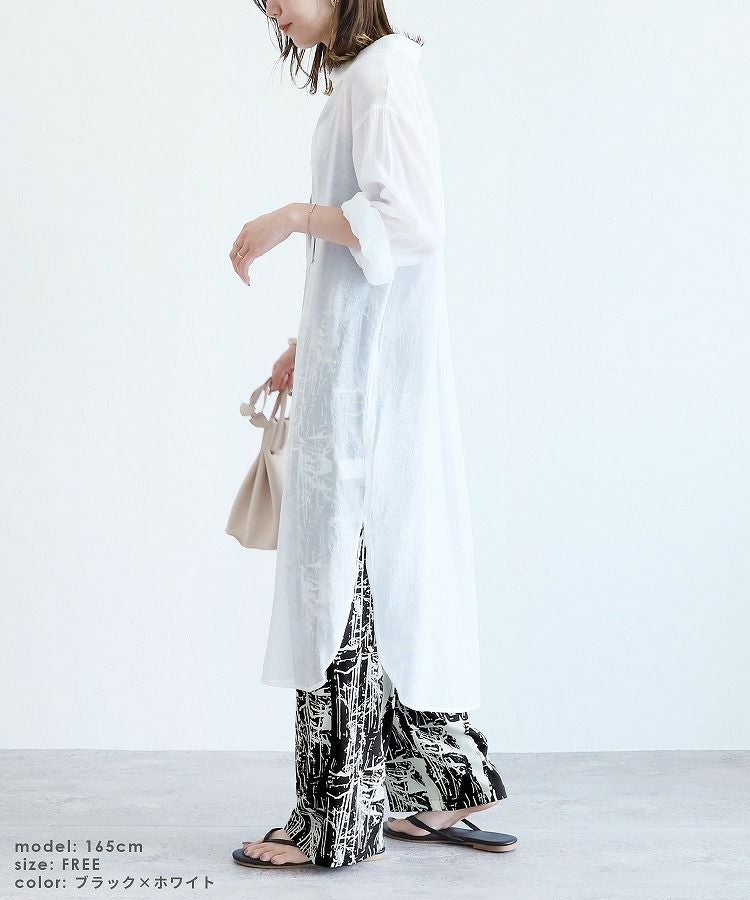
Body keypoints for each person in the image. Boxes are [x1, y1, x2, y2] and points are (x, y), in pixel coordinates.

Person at [228, 0, 517, 869]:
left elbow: (411, 221)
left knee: (341, 593)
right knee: (381, 585)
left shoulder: (382, 75)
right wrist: (304, 343)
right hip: (358, 368)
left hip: (370, 392)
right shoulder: (366, 77)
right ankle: (443, 790)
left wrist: (291, 215)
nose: (272, 8)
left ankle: (335, 820)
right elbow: (365, 255)